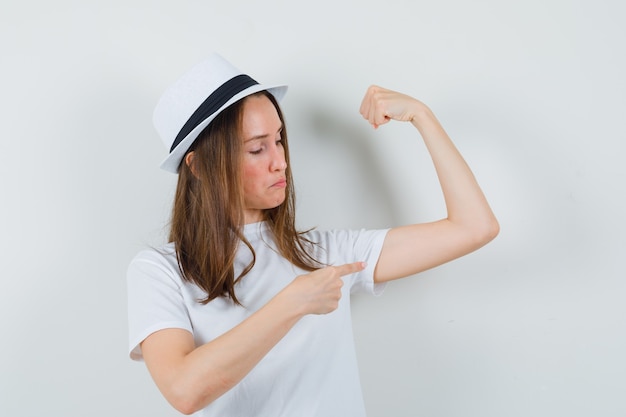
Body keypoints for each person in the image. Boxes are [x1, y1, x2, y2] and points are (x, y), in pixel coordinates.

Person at [127, 52, 499, 416]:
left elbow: (475, 227)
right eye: (257, 148)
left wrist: (423, 116)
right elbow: (184, 392)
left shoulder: (324, 255)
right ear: (199, 167)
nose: (280, 160)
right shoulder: (160, 272)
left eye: (279, 140)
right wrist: (294, 302)